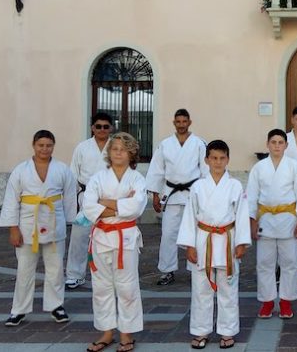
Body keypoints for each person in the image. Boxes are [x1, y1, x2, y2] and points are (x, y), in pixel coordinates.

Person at [177, 140, 251, 350]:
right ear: (206, 160)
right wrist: (189, 245)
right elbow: (190, 216)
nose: (218, 162)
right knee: (201, 289)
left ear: (228, 159)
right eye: (214, 158)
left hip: (227, 239)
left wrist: (242, 242)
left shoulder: (235, 185)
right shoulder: (198, 186)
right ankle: (201, 331)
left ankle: (227, 332)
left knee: (228, 288)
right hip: (203, 240)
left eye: (222, 158)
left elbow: (242, 214)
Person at [0, 130, 76, 327]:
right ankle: (19, 310)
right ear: (33, 145)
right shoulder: (21, 170)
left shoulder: (62, 169)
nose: (44, 149)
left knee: (56, 268)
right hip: (27, 224)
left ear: (53, 146)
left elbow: (69, 197)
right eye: (41, 145)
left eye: (48, 145)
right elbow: (11, 200)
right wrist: (13, 229)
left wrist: (70, 221)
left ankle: (56, 306)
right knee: (24, 269)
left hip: (54, 222)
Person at [83, 132, 148, 352]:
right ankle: (107, 331)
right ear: (108, 153)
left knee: (127, 287)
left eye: (123, 148)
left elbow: (136, 208)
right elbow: (89, 207)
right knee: (101, 287)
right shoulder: (97, 178)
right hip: (101, 238)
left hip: (126, 239)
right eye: (114, 148)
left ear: (131, 153)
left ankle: (127, 334)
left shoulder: (137, 179)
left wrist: (107, 203)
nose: (118, 152)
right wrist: (121, 204)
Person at [246, 128, 297, 319]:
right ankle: (267, 301)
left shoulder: (294, 166)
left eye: (280, 142)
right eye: (274, 142)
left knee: (289, 263)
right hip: (266, 220)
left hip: (288, 218)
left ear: (286, 145)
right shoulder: (259, 168)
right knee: (264, 263)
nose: (277, 146)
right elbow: (252, 195)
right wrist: (252, 221)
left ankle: (286, 301)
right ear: (267, 144)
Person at [146, 108, 208, 286]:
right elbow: (157, 170)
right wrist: (155, 195)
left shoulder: (199, 143)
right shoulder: (165, 144)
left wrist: (205, 195)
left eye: (184, 121)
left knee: (196, 233)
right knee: (168, 234)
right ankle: (167, 271)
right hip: (171, 194)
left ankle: (196, 268)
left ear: (189, 122)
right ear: (174, 123)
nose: (181, 125)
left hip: (193, 194)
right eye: (178, 122)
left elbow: (205, 171)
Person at [65, 112, 113, 290]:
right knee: (79, 236)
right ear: (92, 128)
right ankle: (74, 274)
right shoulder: (82, 147)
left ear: (111, 128)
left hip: (109, 199)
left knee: (108, 237)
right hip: (86, 198)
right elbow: (73, 175)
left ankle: (107, 274)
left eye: (105, 126)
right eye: (98, 126)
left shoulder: (115, 147)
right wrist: (74, 200)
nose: (102, 130)